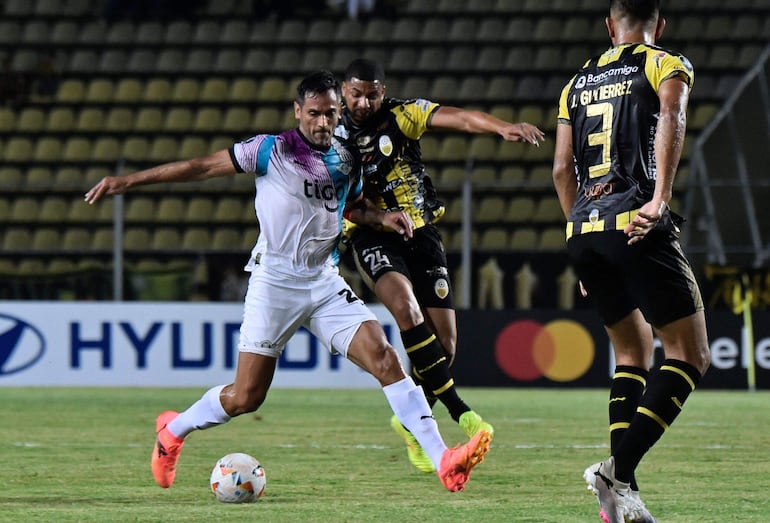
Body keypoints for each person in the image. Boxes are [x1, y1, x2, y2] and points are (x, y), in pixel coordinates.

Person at [84, 70, 491, 493]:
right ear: (298, 111)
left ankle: (442, 458)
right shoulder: (270, 150)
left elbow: (351, 207)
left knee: (386, 359)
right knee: (246, 398)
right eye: (314, 113)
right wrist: (126, 181)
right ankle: (173, 431)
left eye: (331, 114)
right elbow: (201, 167)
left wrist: (381, 217)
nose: (322, 123)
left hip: (323, 281)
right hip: (274, 282)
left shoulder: (346, 157)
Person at [335, 58, 544, 473]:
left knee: (445, 345)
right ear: (344, 91)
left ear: (383, 90)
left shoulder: (403, 115)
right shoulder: (333, 134)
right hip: (370, 232)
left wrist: (500, 126)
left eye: (372, 94)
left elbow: (459, 118)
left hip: (422, 232)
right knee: (406, 308)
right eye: (356, 94)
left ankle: (410, 424)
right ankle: (456, 415)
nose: (363, 102)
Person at [551, 2, 710, 522]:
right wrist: (659, 199)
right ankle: (616, 471)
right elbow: (672, 115)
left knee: (632, 354)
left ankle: (624, 495)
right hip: (635, 220)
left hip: (584, 227)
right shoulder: (664, 62)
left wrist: (581, 232)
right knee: (689, 356)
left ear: (608, 25)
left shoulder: (575, 83)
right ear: (658, 26)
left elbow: (560, 170)